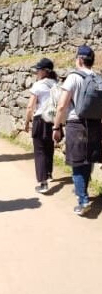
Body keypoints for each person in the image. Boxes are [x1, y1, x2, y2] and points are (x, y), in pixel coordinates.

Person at [53, 45, 101, 216]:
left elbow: (61, 106)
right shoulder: (97, 77)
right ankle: (84, 192)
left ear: (80, 59)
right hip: (95, 124)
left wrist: (56, 126)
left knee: (77, 163)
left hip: (76, 124)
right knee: (88, 161)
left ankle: (83, 200)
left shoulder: (74, 77)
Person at [24, 58, 58, 194]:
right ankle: (48, 174)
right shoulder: (57, 84)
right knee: (49, 148)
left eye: (38, 69)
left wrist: (27, 121)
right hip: (53, 120)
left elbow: (30, 106)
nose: (36, 72)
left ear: (45, 71)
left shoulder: (38, 85)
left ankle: (43, 183)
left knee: (39, 151)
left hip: (40, 119)